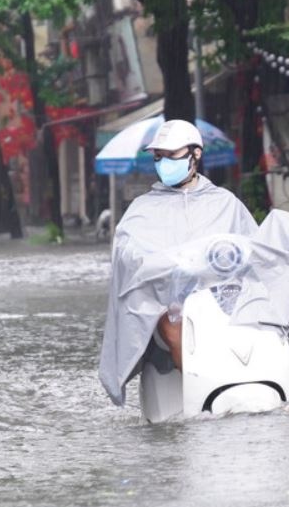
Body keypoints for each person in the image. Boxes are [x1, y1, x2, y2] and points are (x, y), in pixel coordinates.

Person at [98, 119, 259, 406]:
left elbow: (255, 252)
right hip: (166, 306)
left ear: (195, 154)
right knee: (176, 328)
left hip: (223, 301)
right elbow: (126, 254)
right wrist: (161, 265)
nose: (163, 163)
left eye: (171, 155)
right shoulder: (141, 210)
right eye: (158, 157)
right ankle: (212, 398)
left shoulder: (226, 203)